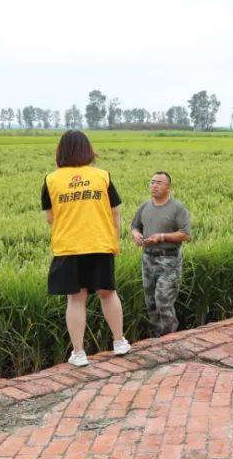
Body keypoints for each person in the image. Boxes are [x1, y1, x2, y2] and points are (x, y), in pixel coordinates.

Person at [41, 131, 131, 367]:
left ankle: (79, 353)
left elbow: (50, 217)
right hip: (100, 243)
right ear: (87, 150)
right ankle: (119, 342)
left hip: (69, 247)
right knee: (108, 292)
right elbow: (114, 212)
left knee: (76, 298)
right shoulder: (102, 176)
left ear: (61, 151)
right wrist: (114, 239)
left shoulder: (51, 180)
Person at [131, 171, 191, 336]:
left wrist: (162, 237)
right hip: (148, 259)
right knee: (150, 303)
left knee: (163, 302)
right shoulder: (145, 206)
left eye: (159, 183)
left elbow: (186, 234)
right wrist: (136, 235)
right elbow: (135, 226)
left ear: (168, 187)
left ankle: (168, 340)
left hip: (169, 260)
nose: (154, 185)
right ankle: (157, 338)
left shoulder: (177, 208)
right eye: (152, 182)